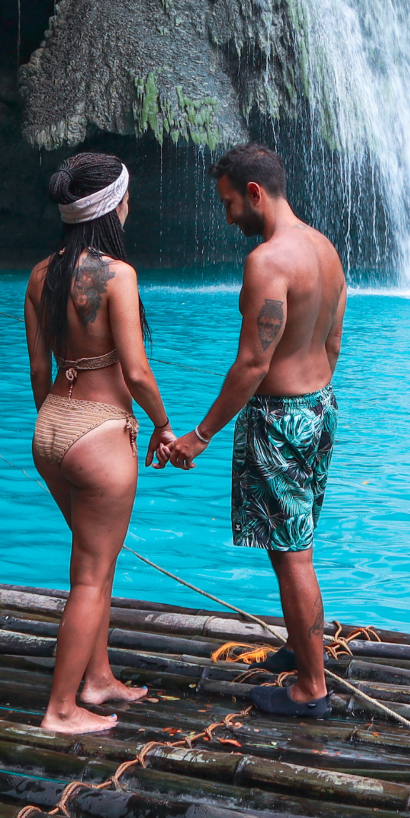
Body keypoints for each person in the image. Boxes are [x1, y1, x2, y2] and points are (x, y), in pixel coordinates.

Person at [163, 143, 348, 717]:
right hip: (320, 407)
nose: (227, 218)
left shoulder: (268, 262)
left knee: (293, 554)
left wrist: (200, 434)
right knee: (292, 544)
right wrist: (311, 397)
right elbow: (334, 340)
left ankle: (311, 687)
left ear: (255, 193)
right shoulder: (324, 248)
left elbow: (253, 364)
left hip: (280, 420)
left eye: (228, 204)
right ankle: (300, 650)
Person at [22, 152, 177, 734]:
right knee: (89, 576)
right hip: (100, 434)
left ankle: (98, 679)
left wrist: (58, 428)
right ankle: (61, 710)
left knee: (98, 563)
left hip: (53, 428)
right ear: (113, 206)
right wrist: (163, 425)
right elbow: (135, 373)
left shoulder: (41, 274)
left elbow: (40, 371)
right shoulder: (117, 275)